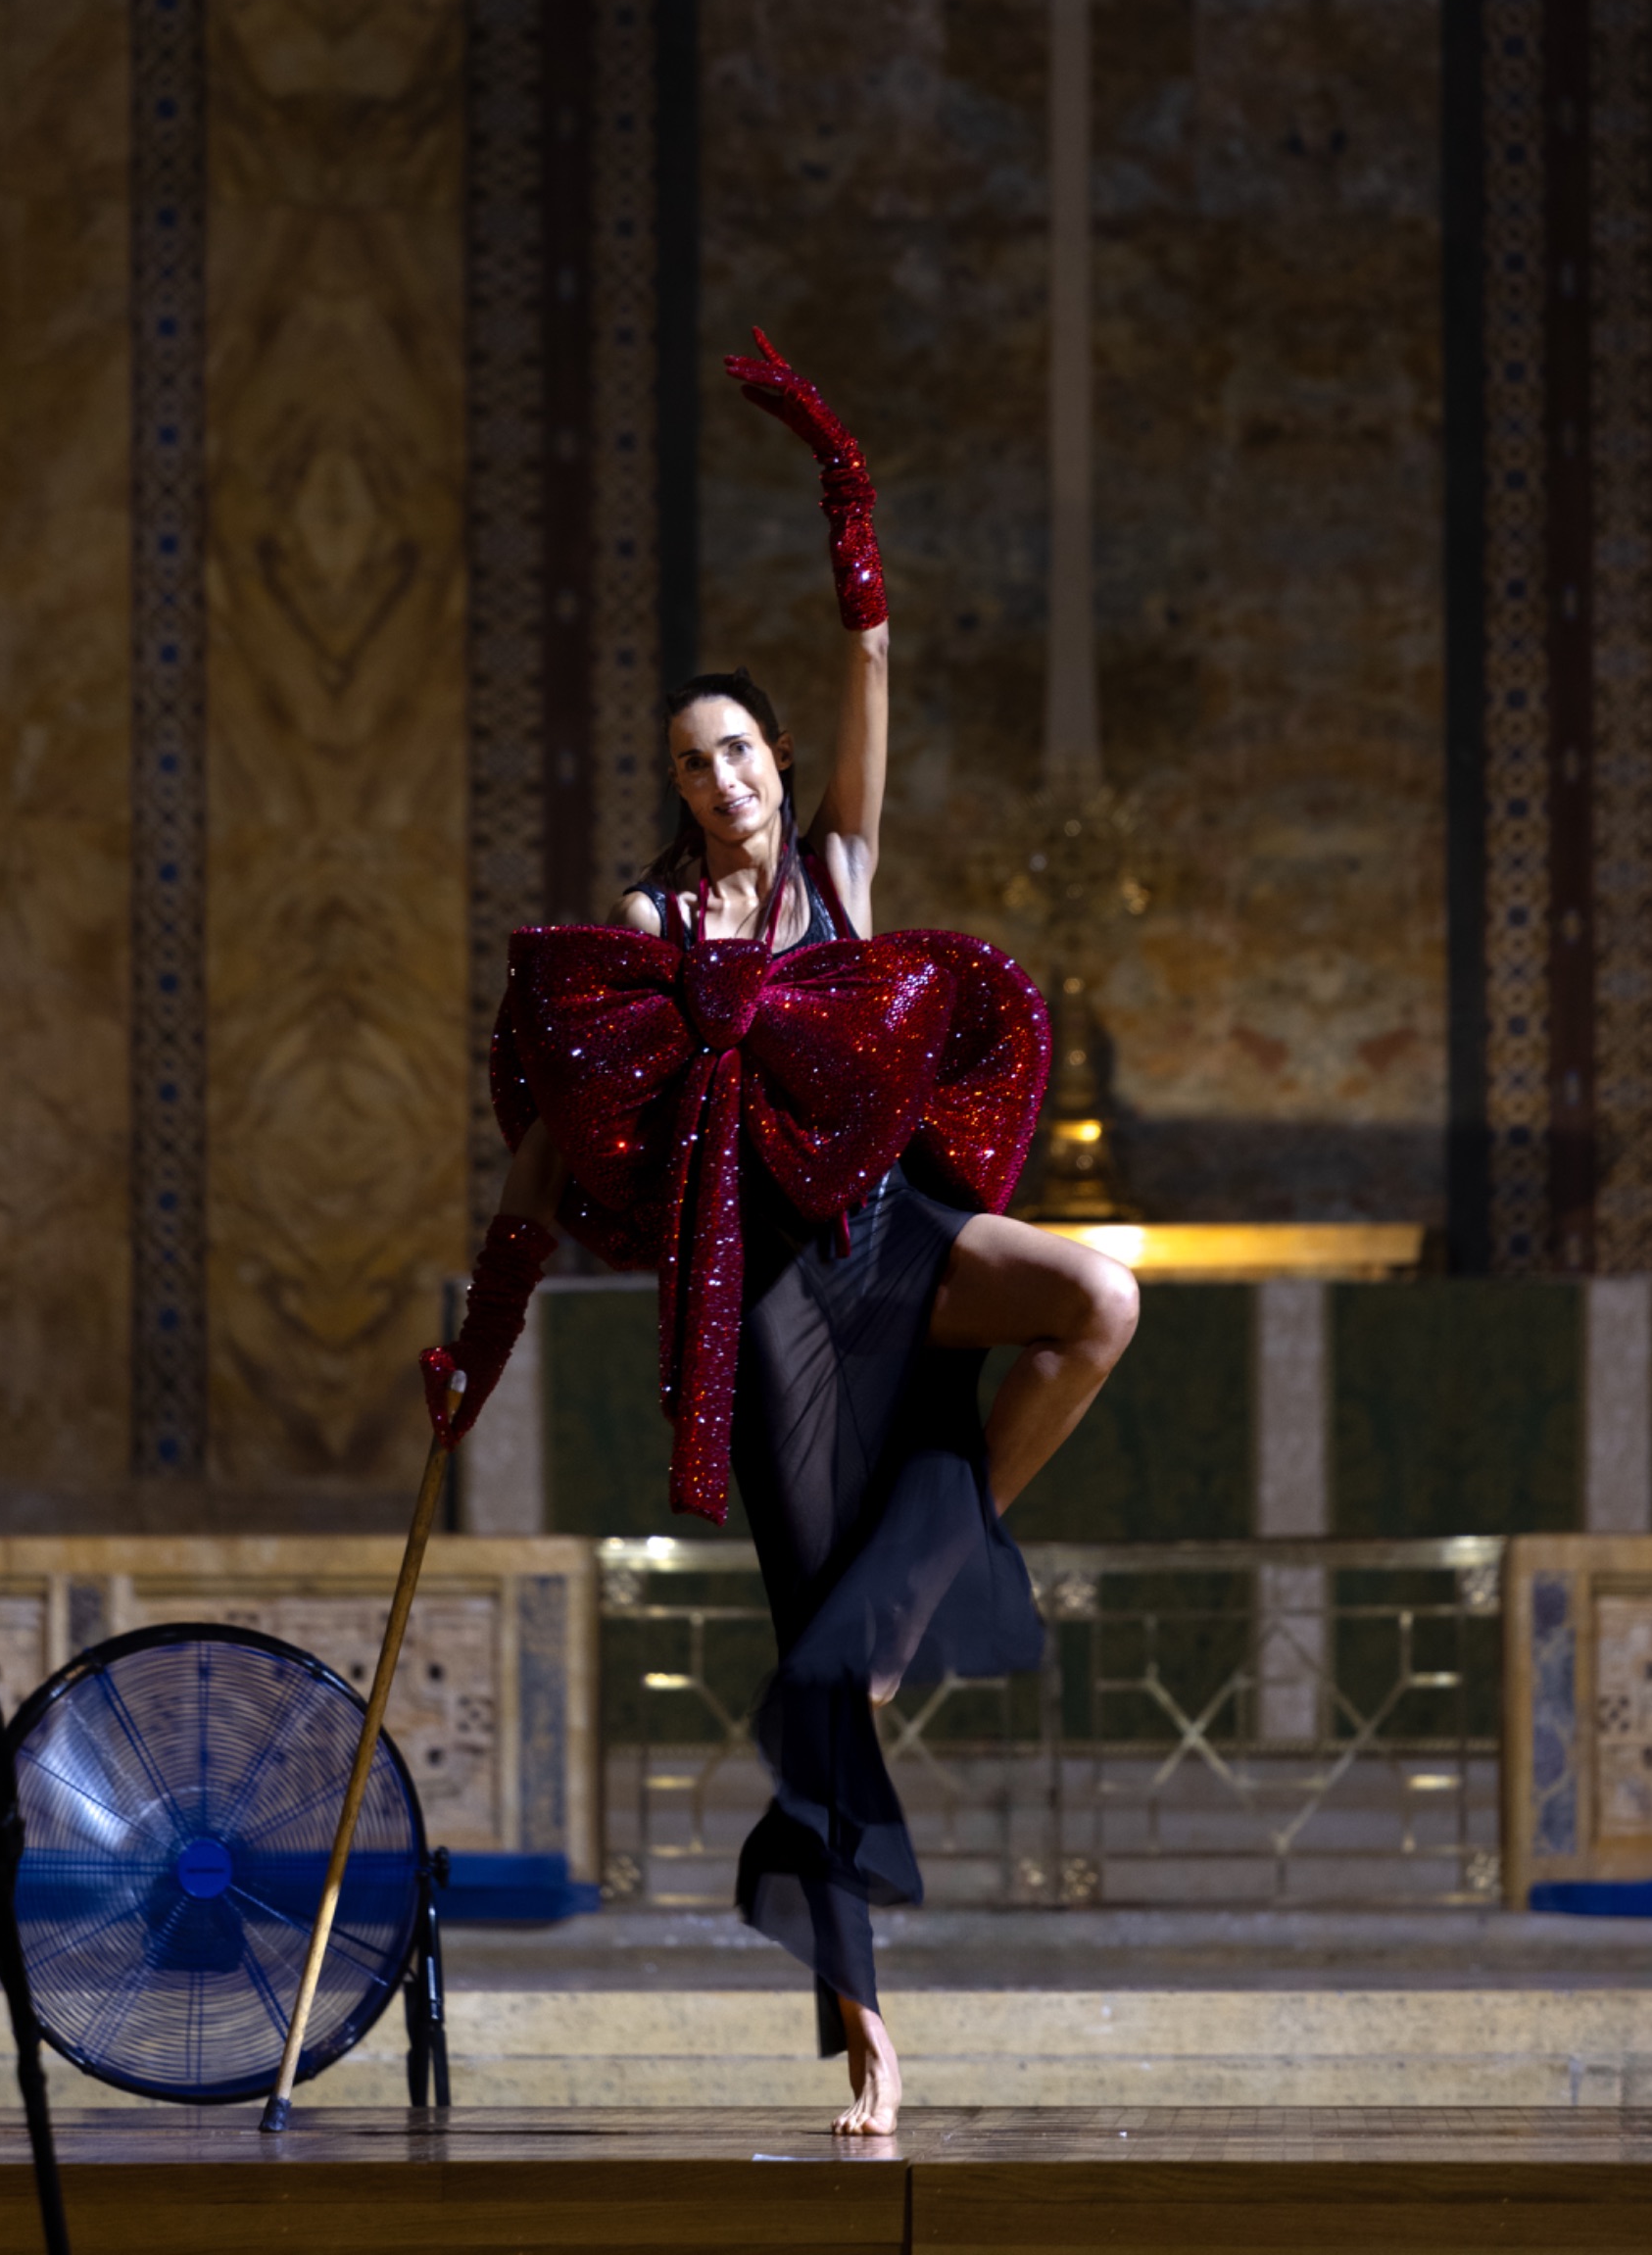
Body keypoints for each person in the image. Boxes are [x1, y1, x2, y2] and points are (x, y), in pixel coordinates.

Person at [421, 332, 1140, 2134]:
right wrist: (474, 1360)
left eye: (739, 746)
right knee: (815, 1677)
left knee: (1098, 1300)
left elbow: (873, 653)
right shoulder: (652, 931)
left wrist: (845, 489)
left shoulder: (838, 867)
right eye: (692, 759)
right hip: (773, 1315)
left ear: (776, 756)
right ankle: (870, 2044)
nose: (722, 774)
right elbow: (543, 1156)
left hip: (895, 1234)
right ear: (674, 787)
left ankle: (910, 1598)